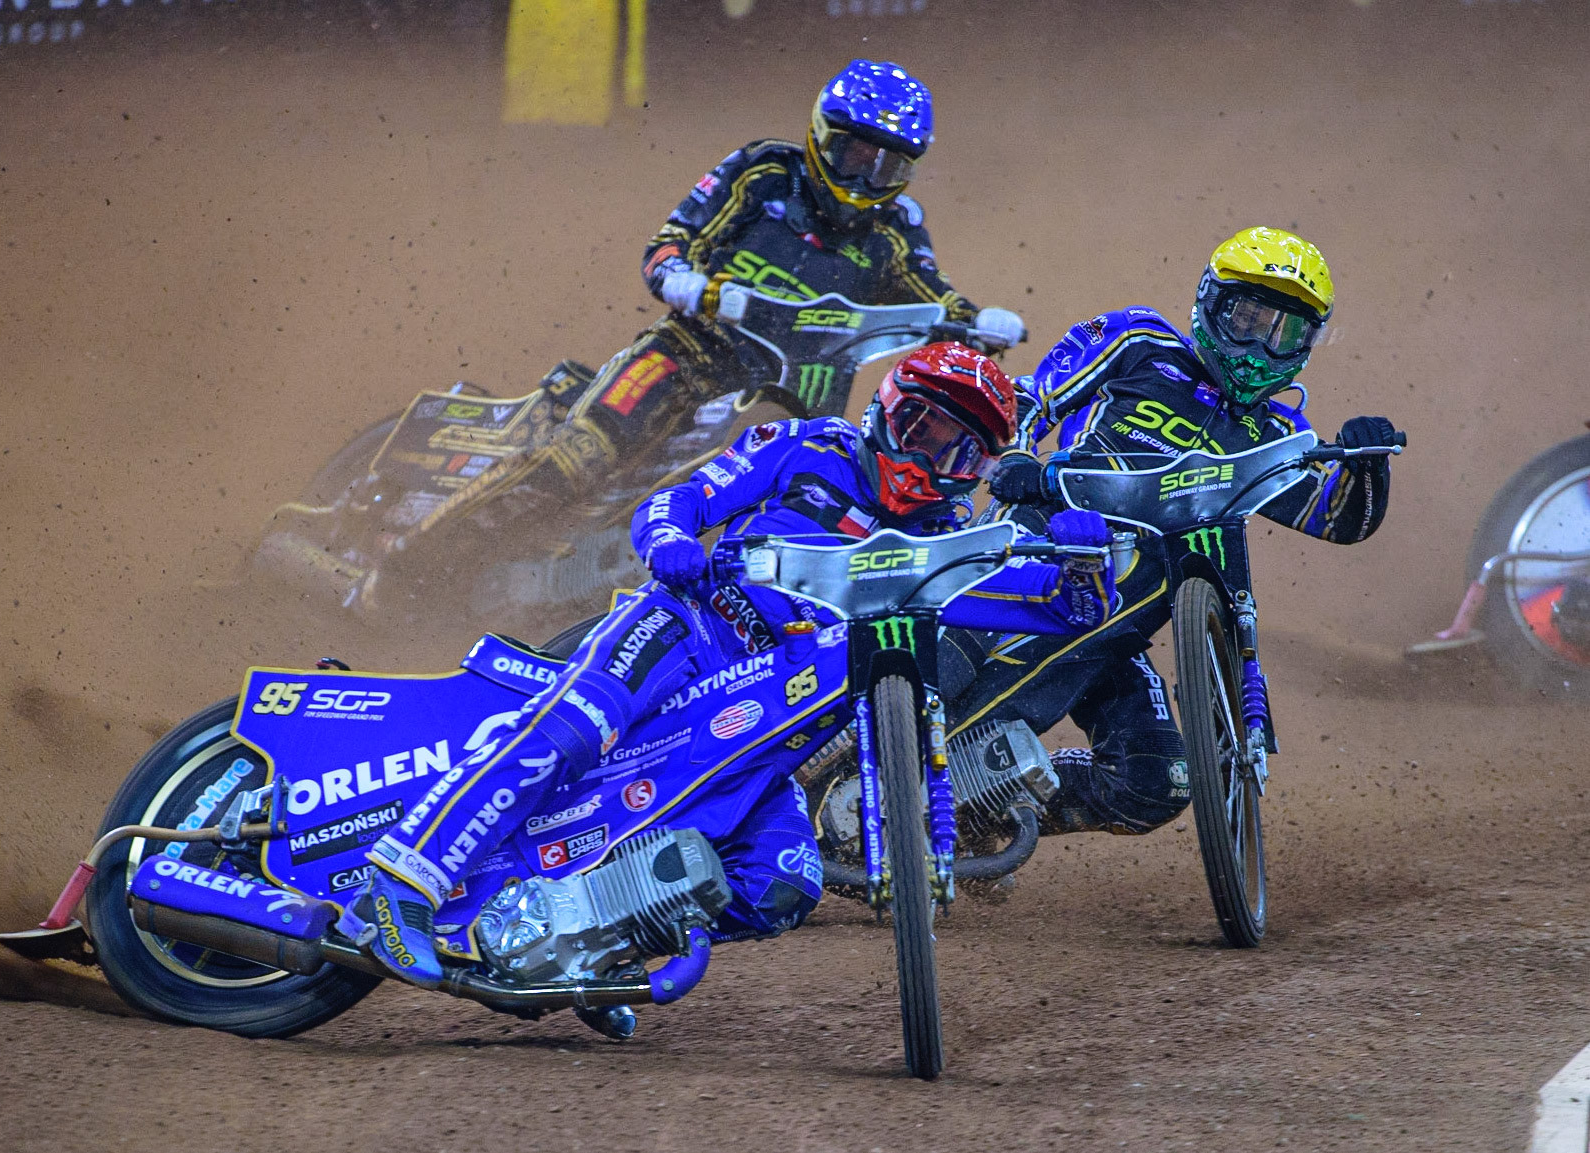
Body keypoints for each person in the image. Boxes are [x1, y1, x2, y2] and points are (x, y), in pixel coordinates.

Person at [345, 344, 1114, 1033]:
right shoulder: (809, 445)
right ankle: (400, 881)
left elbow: (1066, 609)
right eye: (921, 428)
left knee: (782, 883)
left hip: (767, 728)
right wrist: (670, 540)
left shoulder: (948, 543)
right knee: (575, 725)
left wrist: (1084, 557)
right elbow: (678, 501)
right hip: (689, 630)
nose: (929, 458)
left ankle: (586, 942)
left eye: (956, 450)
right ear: (887, 409)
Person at [942, 226, 1400, 836]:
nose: (1259, 346)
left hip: (1120, 628)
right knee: (949, 664)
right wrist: (1020, 459)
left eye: (1283, 332)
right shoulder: (1137, 341)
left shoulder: (1277, 437)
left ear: (1307, 343)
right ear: (1211, 302)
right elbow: (1026, 400)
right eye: (1248, 319)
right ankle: (855, 753)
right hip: (1047, 541)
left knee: (1158, 782)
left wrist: (1367, 466)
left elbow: (1338, 519)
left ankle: (972, 823)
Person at [452, 58, 1027, 517]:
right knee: (585, 452)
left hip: (800, 397)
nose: (864, 178)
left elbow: (934, 298)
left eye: (886, 167)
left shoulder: (896, 227)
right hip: (693, 351)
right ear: (822, 136)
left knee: (808, 505)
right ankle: (441, 547)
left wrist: (978, 324)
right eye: (854, 155)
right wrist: (682, 281)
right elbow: (670, 244)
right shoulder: (765, 171)